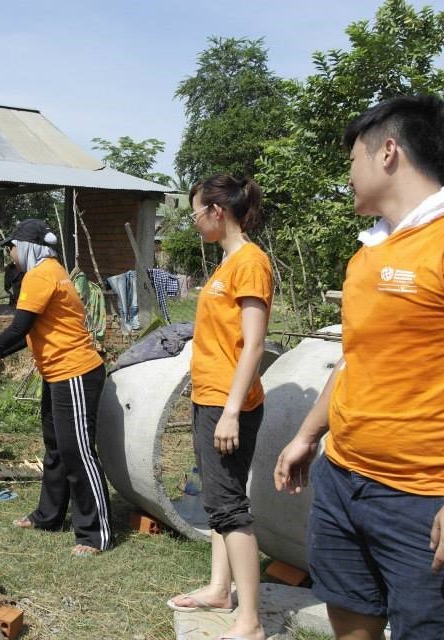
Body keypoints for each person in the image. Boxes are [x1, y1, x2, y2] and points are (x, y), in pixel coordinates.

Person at [275, 95, 444, 640]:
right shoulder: (367, 254)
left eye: (352, 160)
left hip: (421, 498)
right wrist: (307, 434)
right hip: (342, 476)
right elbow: (355, 357)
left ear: (388, 151)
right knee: (351, 617)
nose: (347, 175)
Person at [0, 219, 111, 556]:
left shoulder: (41, 275)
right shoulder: (52, 270)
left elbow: (18, 327)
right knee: (57, 447)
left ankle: (94, 533)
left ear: (28, 247)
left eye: (12, 247)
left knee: (78, 452)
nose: (11, 255)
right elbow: (30, 332)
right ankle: (48, 516)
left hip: (74, 372)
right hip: (59, 373)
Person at [165, 176, 271, 640]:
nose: (193, 222)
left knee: (229, 508)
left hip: (228, 404)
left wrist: (230, 411)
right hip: (210, 397)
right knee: (217, 500)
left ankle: (249, 620)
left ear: (216, 211)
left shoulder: (250, 262)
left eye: (193, 213)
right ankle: (219, 588)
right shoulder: (229, 261)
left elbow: (253, 344)